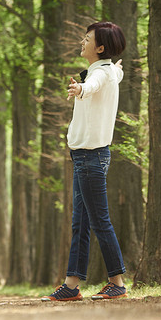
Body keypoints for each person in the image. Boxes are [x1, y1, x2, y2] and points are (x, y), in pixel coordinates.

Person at [42, 21, 129, 301]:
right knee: (80, 223)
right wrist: (118, 69)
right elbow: (113, 73)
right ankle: (72, 285)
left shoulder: (99, 75)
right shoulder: (107, 71)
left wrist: (80, 90)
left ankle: (117, 282)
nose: (83, 41)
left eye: (87, 38)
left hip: (91, 157)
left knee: (99, 221)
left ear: (100, 48)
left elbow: (93, 84)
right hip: (83, 157)